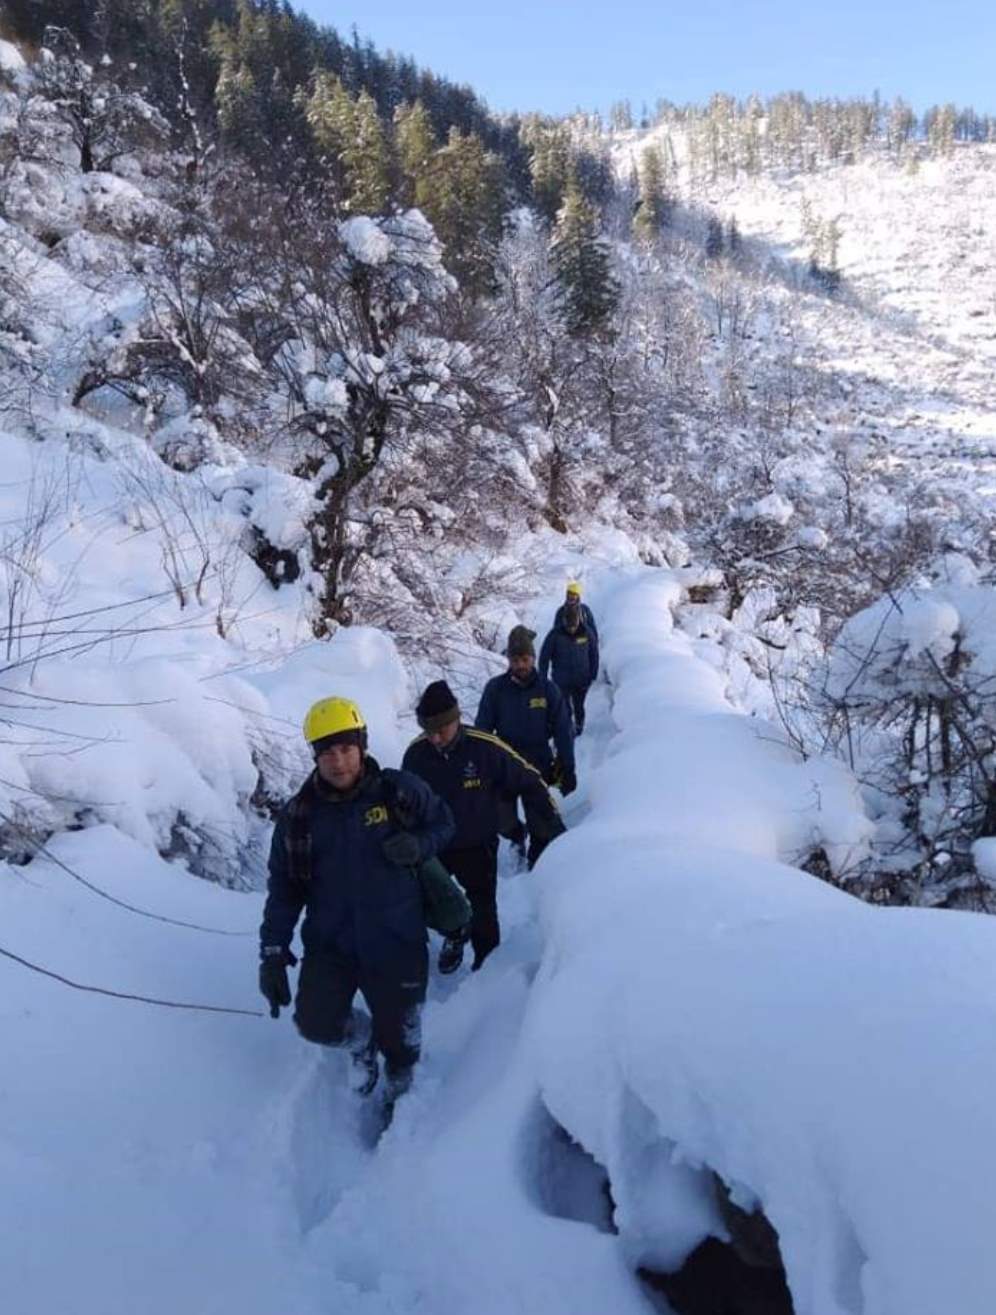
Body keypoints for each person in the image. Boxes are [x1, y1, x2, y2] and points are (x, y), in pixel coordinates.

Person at [258, 696, 466, 1109]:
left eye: (346, 748)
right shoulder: (299, 817)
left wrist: (419, 844)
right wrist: (273, 952)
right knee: (315, 1023)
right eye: (327, 753)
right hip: (331, 945)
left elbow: (443, 822)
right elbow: (284, 888)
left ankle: (400, 1102)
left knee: (403, 1042)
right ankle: (362, 1043)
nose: (338, 762)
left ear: (362, 746)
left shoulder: (397, 791)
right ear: (315, 757)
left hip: (397, 942)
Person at [403, 680, 567, 974]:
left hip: (477, 844)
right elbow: (403, 802)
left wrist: (553, 823)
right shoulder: (416, 755)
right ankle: (454, 934)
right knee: (426, 902)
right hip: (434, 846)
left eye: (441, 729)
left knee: (483, 910)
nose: (435, 738)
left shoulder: (485, 748)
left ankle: (486, 970)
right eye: (429, 731)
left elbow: (530, 780)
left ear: (456, 719)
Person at [475, 625, 577, 830]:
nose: (520, 665)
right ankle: (516, 839)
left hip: (538, 764)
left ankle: (540, 847)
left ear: (533, 658)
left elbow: (563, 730)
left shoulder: (548, 689)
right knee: (503, 823)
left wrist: (567, 767)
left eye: (525, 659)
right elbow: (482, 731)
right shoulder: (495, 689)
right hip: (504, 763)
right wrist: (482, 766)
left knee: (543, 826)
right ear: (509, 660)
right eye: (515, 660)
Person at [539, 596, 599, 736]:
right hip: (561, 680)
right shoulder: (555, 635)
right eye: (569, 626)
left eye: (574, 626)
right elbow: (544, 657)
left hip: (582, 679)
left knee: (579, 706)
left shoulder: (587, 633)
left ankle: (579, 725)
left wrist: (593, 673)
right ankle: (567, 727)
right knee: (564, 707)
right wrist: (543, 677)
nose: (571, 629)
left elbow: (594, 654)